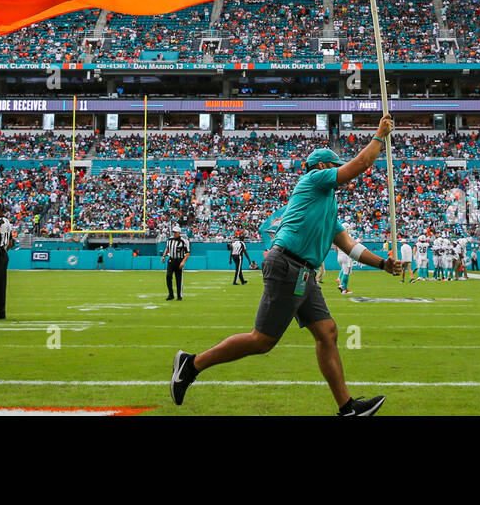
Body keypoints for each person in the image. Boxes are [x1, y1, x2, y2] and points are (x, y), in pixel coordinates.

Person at [169, 117, 403, 417]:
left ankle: (347, 408)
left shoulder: (327, 205)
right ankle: (192, 364)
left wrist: (383, 263)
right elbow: (356, 167)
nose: (336, 170)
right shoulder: (314, 180)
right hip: (288, 266)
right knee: (262, 340)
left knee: (327, 331)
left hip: (303, 274)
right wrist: (380, 137)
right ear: (322, 168)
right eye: (333, 165)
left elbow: (350, 246)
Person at [162, 225, 189, 301]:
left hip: (179, 261)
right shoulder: (170, 240)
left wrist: (183, 261)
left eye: (175, 232)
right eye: (173, 232)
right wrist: (164, 256)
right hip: (171, 260)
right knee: (168, 276)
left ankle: (179, 296)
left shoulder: (183, 241)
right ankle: (171, 295)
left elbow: (187, 253)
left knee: (178, 279)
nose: (174, 234)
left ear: (179, 233)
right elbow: (167, 248)